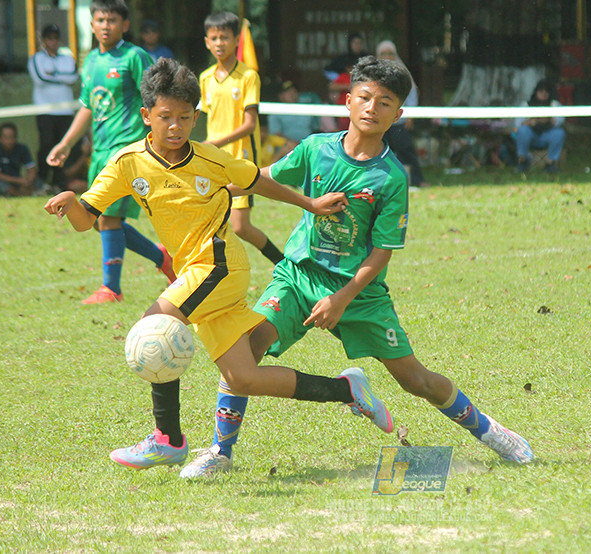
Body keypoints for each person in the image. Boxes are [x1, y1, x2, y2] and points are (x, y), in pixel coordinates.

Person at [179, 56, 533, 478]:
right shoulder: (315, 149)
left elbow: (381, 253)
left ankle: (492, 432)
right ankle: (221, 452)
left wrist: (341, 299)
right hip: (299, 275)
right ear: (347, 101)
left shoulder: (391, 178)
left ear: (398, 115)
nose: (372, 108)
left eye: (385, 103)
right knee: (247, 350)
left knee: (415, 381)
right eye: (364, 97)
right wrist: (203, 183)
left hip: (359, 293)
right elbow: (263, 176)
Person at [43, 58, 392, 470]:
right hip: (194, 273)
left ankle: (168, 439)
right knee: (244, 378)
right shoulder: (127, 164)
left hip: (218, 266)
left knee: (154, 325)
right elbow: (89, 219)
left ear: (196, 118)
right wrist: (71, 202)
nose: (175, 127)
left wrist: (309, 203)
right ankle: (347, 391)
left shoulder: (211, 159)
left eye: (185, 118)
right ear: (146, 116)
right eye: (165, 117)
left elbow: (258, 180)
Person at [46, 0, 175, 304]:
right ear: (92, 24)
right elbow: (88, 106)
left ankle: (111, 289)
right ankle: (162, 258)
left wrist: (159, 138)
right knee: (98, 219)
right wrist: (66, 143)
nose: (106, 25)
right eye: (101, 20)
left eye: (112, 20)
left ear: (125, 24)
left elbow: (155, 97)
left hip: (126, 148)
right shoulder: (91, 61)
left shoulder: (134, 57)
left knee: (108, 219)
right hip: (101, 150)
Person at [199, 11, 284, 266]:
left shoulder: (248, 76)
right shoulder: (205, 78)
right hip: (214, 160)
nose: (219, 43)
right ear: (206, 41)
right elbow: (212, 121)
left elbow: (249, 125)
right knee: (209, 220)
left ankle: (283, 264)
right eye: (214, 38)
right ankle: (214, 271)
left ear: (237, 40)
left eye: (224, 37)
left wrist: (216, 143)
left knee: (241, 226)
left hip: (240, 158)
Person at [29, 24, 79, 191]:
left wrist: (53, 74)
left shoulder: (67, 58)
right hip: (45, 110)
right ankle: (42, 180)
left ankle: (59, 181)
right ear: (44, 40)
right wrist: (61, 77)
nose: (53, 41)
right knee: (46, 144)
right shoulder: (36, 58)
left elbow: (73, 77)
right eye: (50, 38)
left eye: (56, 38)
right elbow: (40, 78)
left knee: (64, 145)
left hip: (65, 110)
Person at [376, 40, 427, 188]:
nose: (387, 56)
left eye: (390, 54)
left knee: (406, 150)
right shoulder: (373, 74)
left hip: (400, 120)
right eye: (383, 54)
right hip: (380, 121)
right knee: (379, 151)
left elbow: (411, 95)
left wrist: (410, 116)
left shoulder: (403, 73)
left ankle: (416, 180)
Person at [514, 79, 566, 174]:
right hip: (531, 134)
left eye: (546, 92)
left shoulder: (554, 105)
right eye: (541, 91)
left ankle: (550, 164)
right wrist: (530, 122)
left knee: (559, 133)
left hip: (547, 134)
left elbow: (559, 120)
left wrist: (546, 120)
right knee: (522, 131)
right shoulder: (526, 105)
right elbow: (518, 123)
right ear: (536, 92)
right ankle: (522, 162)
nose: (544, 94)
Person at [267, 79, 319, 161]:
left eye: (294, 91)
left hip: (308, 146)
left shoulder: (306, 107)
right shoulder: (276, 111)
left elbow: (315, 128)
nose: (292, 94)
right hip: (287, 148)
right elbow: (276, 134)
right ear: (281, 96)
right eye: (288, 92)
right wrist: (295, 144)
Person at [0, 122, 36, 197]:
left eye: (11, 137)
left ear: (16, 138)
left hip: (17, 182)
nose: (8, 141)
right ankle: (18, 193)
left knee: (37, 181)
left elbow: (31, 169)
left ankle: (27, 191)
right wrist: (19, 180)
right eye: (6, 137)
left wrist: (28, 182)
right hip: (2, 181)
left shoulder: (22, 148)